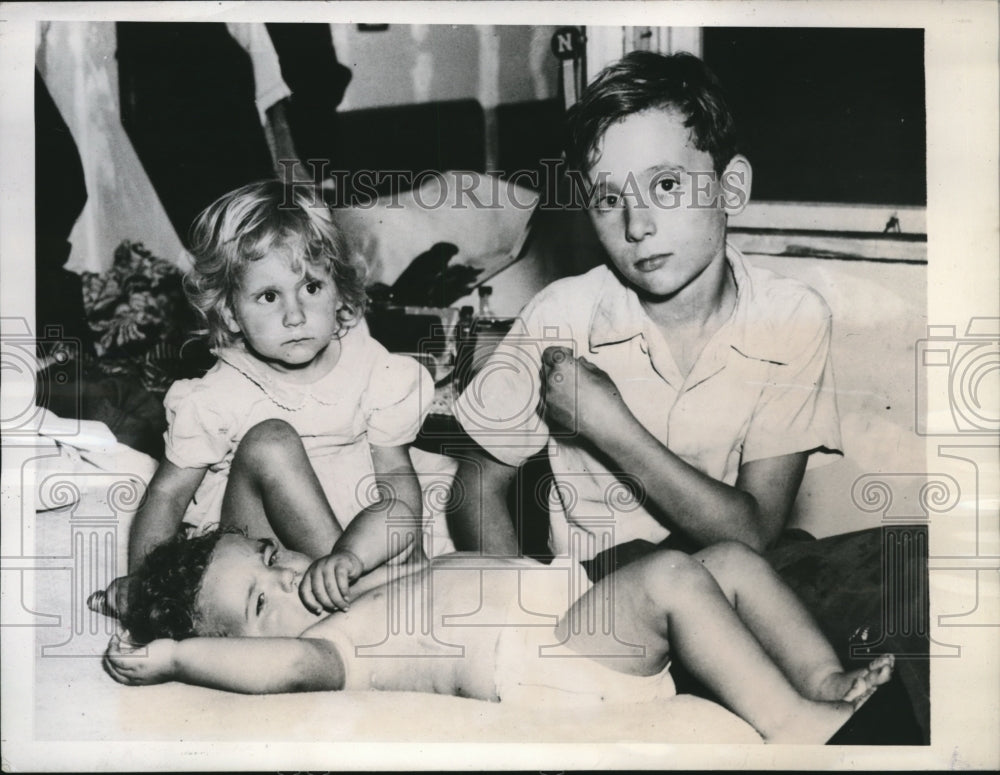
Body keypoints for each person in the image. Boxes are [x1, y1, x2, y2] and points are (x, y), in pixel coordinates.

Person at [448, 51, 842, 568]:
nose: (637, 226)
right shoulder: (560, 316)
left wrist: (607, 424)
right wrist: (524, 609)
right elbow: (474, 485)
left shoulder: (791, 318)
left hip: (737, 593)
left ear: (732, 187)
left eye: (666, 185)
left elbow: (753, 533)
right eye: (608, 200)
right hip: (608, 604)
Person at [103, 526, 894, 745]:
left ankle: (823, 680)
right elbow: (279, 669)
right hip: (550, 662)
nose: (286, 581)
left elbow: (395, 522)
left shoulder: (363, 584)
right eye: (261, 602)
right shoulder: (334, 649)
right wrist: (175, 653)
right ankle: (796, 729)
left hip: (569, 609)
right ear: (244, 642)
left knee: (728, 558)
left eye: (271, 559)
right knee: (670, 577)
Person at [92, 179, 433, 616]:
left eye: (311, 288)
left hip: (354, 556)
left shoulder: (373, 368)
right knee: (271, 442)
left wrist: (386, 553)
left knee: (411, 503)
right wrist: (147, 585)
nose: (295, 315)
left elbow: (396, 483)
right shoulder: (218, 395)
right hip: (262, 557)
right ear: (231, 314)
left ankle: (382, 589)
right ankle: (367, 604)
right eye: (268, 296)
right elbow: (168, 495)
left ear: (339, 290)